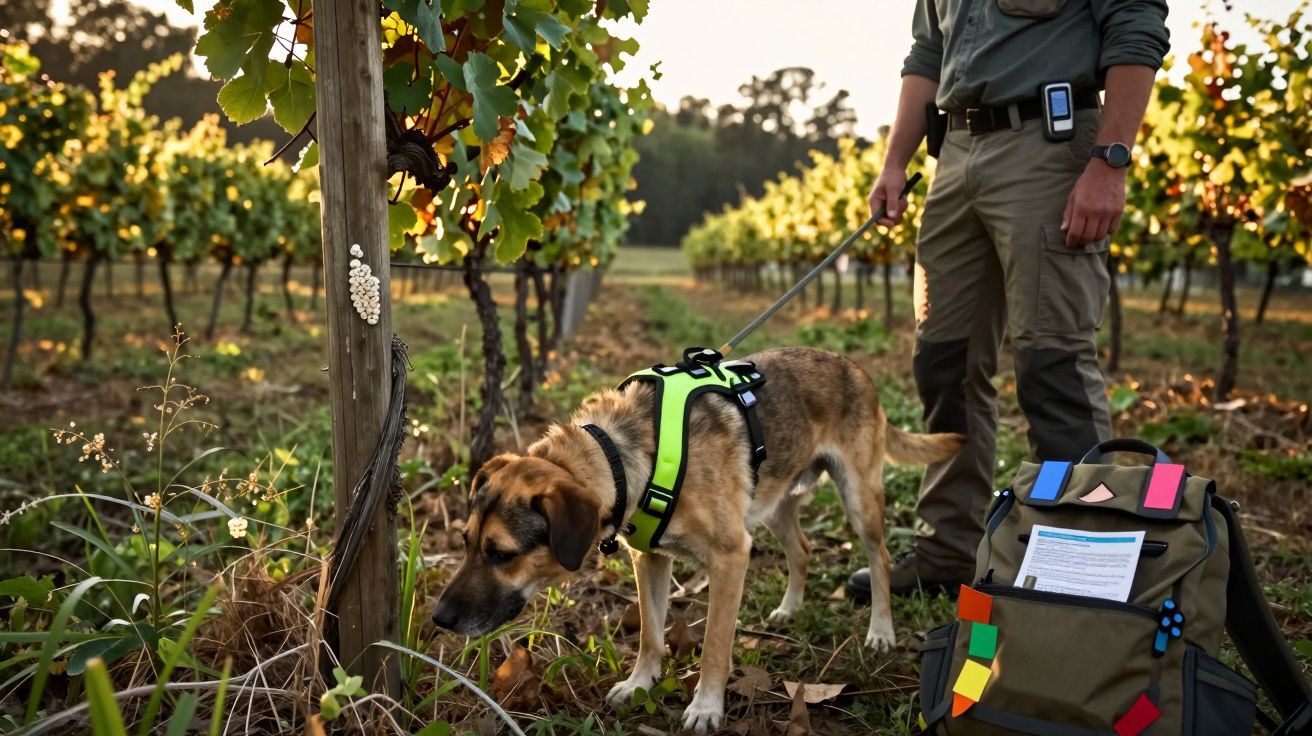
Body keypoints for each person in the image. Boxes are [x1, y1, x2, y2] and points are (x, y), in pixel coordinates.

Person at [847, 0, 1170, 599]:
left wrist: (1111, 159)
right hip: (956, 155)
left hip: (1049, 148)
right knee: (944, 362)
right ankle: (949, 549)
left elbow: (1135, 25)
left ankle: (1079, 564)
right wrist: (895, 161)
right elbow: (927, 52)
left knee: (1052, 364)